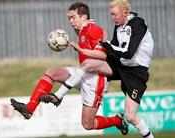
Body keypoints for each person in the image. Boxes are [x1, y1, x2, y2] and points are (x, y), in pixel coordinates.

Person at [10, 1, 128, 135]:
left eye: (73, 17)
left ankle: (117, 121)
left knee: (87, 124)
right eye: (69, 18)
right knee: (51, 73)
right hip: (81, 73)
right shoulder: (84, 29)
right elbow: (85, 37)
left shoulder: (93, 29)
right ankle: (29, 108)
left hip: (95, 80)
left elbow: (102, 55)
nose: (70, 21)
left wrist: (81, 49)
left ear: (84, 17)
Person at [41, 0, 155, 138]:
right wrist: (88, 39)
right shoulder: (118, 26)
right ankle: (58, 95)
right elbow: (112, 48)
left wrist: (104, 43)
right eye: (111, 15)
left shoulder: (138, 24)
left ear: (125, 13)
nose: (112, 18)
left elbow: (128, 53)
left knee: (130, 116)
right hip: (120, 66)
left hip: (136, 72)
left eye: (115, 15)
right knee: (89, 63)